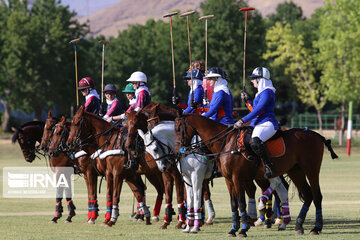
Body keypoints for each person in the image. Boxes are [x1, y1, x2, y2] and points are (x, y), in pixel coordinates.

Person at [234, 67, 277, 178]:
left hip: (267, 122)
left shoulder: (267, 92)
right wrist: (247, 102)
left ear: (260, 79)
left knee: (255, 141)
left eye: (254, 79)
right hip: (258, 122)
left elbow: (258, 110)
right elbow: (255, 110)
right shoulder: (260, 93)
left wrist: (242, 120)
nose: (252, 81)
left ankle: (268, 166)